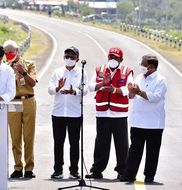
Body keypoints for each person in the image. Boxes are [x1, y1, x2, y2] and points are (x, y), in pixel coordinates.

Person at [86, 47, 133, 179]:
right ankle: (97, 170)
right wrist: (102, 83)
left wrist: (113, 90)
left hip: (119, 114)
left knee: (122, 144)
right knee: (101, 143)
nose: (112, 60)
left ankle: (122, 170)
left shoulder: (127, 71)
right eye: (110, 57)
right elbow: (90, 87)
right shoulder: (100, 70)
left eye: (115, 58)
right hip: (103, 113)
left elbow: (127, 90)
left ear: (121, 60)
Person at [120, 54, 167, 183]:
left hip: (154, 124)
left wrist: (139, 92)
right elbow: (131, 96)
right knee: (134, 150)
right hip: (137, 122)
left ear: (151, 67)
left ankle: (149, 176)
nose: (141, 66)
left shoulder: (160, 80)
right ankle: (129, 174)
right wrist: (131, 91)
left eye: (143, 64)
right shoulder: (139, 77)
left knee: (152, 152)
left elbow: (154, 98)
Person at [48, 46, 88, 179]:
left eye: (72, 57)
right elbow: (49, 89)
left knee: (74, 143)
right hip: (58, 113)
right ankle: (58, 170)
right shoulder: (57, 72)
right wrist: (57, 87)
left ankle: (74, 170)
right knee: (58, 143)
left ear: (77, 59)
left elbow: (85, 90)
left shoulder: (81, 72)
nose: (69, 59)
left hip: (74, 113)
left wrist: (74, 91)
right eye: (66, 56)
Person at [3, 40, 37, 178]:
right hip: (13, 102)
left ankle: (29, 168)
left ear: (17, 50)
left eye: (11, 51)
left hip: (28, 100)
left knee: (28, 137)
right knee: (15, 137)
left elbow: (33, 82)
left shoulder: (29, 64)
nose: (9, 55)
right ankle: (18, 167)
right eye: (6, 53)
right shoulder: (5, 67)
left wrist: (23, 72)